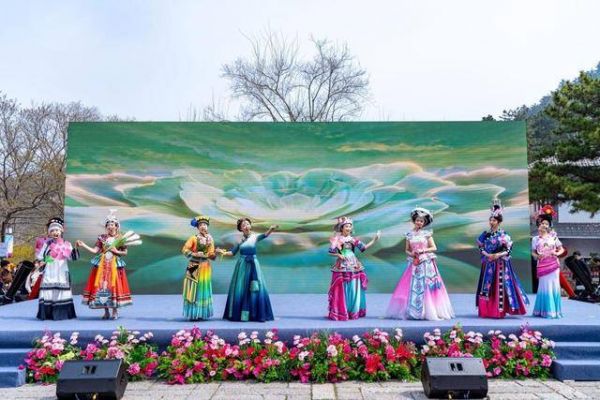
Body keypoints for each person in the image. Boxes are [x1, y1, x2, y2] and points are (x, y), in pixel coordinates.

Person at [386, 208, 454, 320]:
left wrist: (423, 251)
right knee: (412, 286)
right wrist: (412, 253)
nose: (419, 222)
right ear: (414, 221)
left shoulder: (427, 234)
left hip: (426, 263)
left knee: (427, 286)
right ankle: (412, 311)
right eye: (417, 220)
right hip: (414, 263)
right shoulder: (409, 234)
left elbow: (434, 247)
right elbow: (407, 250)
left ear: (424, 223)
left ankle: (428, 311)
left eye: (421, 221)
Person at [217, 218, 277, 322]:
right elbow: (233, 252)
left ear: (250, 225)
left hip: (253, 264)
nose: (246, 226)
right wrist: (222, 252)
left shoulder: (255, 237)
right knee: (241, 288)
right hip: (242, 265)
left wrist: (271, 229)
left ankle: (256, 314)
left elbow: (265, 235)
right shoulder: (240, 241)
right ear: (240, 228)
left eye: (248, 224)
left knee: (256, 287)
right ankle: (240, 314)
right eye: (243, 225)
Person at [476, 200, 529, 318]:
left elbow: (509, 250)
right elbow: (480, 248)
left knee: (499, 286)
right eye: (490, 220)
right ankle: (486, 311)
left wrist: (498, 255)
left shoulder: (504, 235)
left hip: (500, 264)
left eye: (494, 220)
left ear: (499, 222)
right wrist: (487, 254)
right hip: (488, 263)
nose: (491, 222)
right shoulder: (485, 234)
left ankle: (498, 310)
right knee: (487, 287)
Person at [77, 210, 133, 320]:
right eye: (108, 225)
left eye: (112, 224)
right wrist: (83, 245)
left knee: (114, 286)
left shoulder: (120, 238)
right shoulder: (102, 238)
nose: (110, 226)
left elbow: (125, 252)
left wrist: (116, 251)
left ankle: (115, 311)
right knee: (102, 287)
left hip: (114, 265)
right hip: (102, 266)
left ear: (116, 226)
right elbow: (95, 250)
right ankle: (106, 311)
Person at [327, 216, 381, 321]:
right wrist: (338, 255)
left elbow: (363, 248)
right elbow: (330, 252)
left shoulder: (353, 239)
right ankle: (342, 310)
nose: (348, 228)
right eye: (346, 226)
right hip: (342, 265)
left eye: (350, 226)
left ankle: (353, 310)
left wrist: (375, 239)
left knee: (353, 286)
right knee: (342, 286)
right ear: (342, 228)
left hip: (353, 264)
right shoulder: (337, 239)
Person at [35, 217, 78, 320]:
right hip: (50, 270)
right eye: (52, 230)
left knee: (62, 290)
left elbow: (72, 258)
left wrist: (76, 247)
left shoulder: (67, 244)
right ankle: (48, 314)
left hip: (62, 270)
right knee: (48, 290)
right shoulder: (47, 244)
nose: (55, 232)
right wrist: (46, 258)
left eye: (57, 230)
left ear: (61, 231)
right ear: (50, 233)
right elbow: (41, 257)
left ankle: (62, 314)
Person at [181, 215, 217, 320]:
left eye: (205, 224)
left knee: (203, 288)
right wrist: (194, 254)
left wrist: (214, 254)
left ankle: (202, 313)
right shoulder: (193, 238)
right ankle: (193, 313)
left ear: (207, 226)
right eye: (201, 225)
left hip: (205, 266)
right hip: (193, 265)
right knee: (192, 289)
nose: (203, 226)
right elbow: (184, 249)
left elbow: (211, 253)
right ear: (197, 227)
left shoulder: (210, 239)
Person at [532, 205, 564, 318]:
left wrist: (557, 253)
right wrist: (537, 256)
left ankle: (553, 311)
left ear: (549, 225)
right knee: (544, 287)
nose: (544, 225)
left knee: (554, 286)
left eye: (546, 224)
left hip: (554, 265)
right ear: (539, 224)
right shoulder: (535, 239)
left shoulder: (554, 237)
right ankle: (543, 310)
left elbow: (561, 249)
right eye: (542, 223)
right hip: (542, 265)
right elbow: (533, 252)